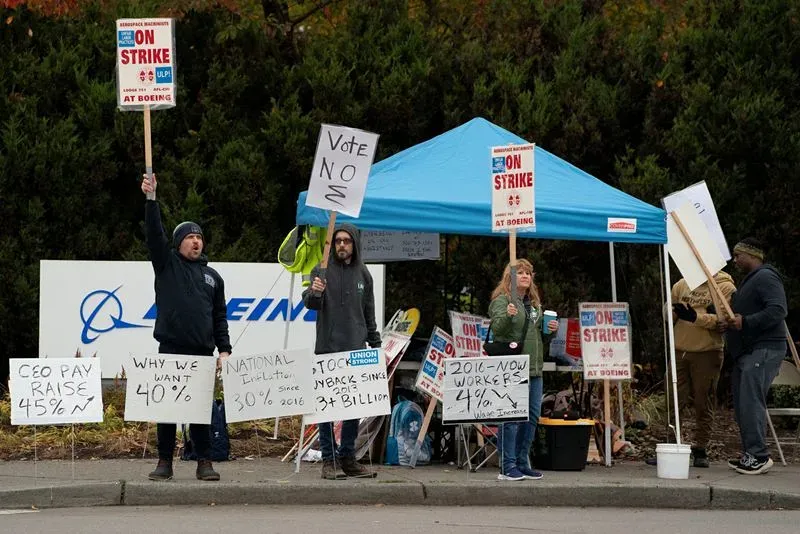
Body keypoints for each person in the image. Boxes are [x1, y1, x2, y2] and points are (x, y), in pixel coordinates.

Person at [141, 174, 231, 482]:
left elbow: (220, 316)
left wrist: (225, 350)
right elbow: (154, 234)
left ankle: (204, 461)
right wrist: (151, 199)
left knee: (200, 412)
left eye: (200, 237)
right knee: (167, 409)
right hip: (170, 349)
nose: (196, 241)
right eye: (190, 237)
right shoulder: (166, 265)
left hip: (202, 352)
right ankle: (164, 461)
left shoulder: (213, 278)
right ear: (179, 243)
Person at [302, 223, 381, 480]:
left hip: (356, 348)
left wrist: (376, 342)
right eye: (338, 241)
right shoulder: (321, 270)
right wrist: (315, 291)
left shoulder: (364, 274)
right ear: (332, 244)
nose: (342, 245)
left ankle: (348, 457)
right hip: (327, 348)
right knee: (326, 409)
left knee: (352, 408)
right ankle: (329, 459)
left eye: (346, 240)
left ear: (354, 243)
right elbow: (310, 303)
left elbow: (369, 311)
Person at [488, 259, 558, 481]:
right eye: (521, 272)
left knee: (532, 416)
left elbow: (538, 335)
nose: (526, 276)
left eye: (529, 272)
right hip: (513, 367)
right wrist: (508, 315)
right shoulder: (502, 301)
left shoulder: (533, 304)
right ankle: (506, 465)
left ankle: (521, 461)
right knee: (511, 417)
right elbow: (498, 330)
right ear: (511, 277)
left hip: (534, 368)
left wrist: (551, 331)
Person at [721, 238, 787, 475]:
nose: (735, 259)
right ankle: (751, 453)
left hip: (764, 349)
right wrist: (730, 323)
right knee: (742, 403)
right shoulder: (750, 281)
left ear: (753, 255)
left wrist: (745, 321)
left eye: (739, 255)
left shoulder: (766, 277)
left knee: (750, 401)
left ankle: (759, 455)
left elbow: (778, 309)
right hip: (748, 352)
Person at [670, 272, 736, 467]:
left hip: (707, 351)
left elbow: (722, 320)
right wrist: (670, 311)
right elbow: (671, 312)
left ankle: (700, 448)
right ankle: (671, 445)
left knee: (703, 399)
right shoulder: (681, 284)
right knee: (674, 399)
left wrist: (695, 317)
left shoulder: (724, 287)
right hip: (679, 349)